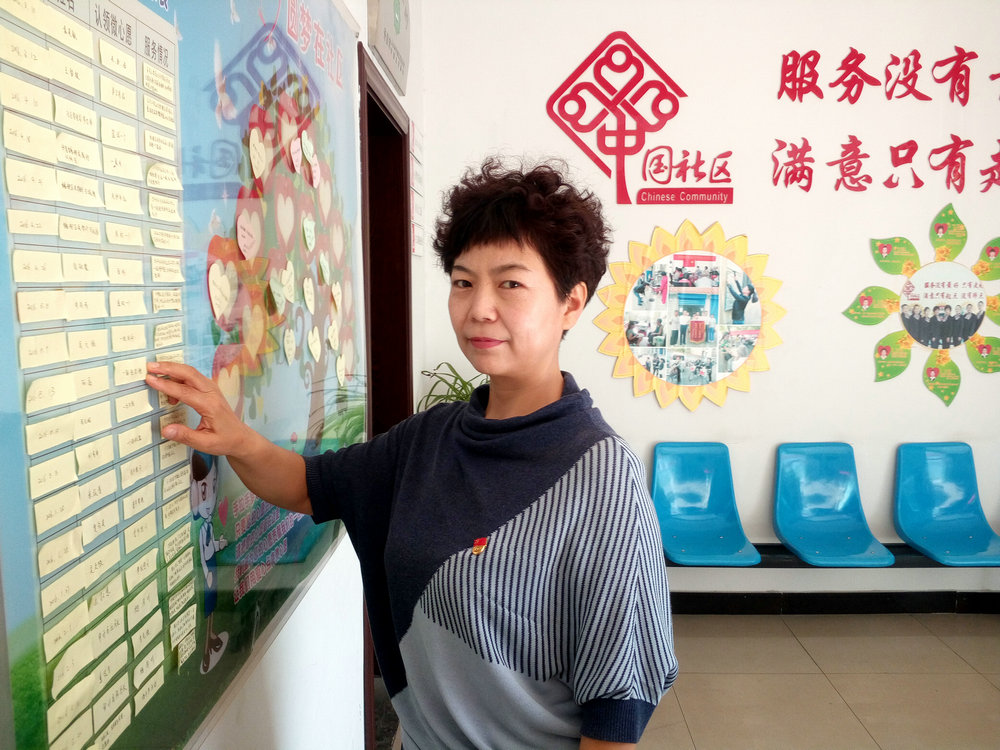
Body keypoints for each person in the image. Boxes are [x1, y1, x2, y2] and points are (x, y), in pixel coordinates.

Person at [146, 158, 678, 749]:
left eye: (510, 283)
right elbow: (306, 484)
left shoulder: (602, 476)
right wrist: (235, 436)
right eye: (463, 281)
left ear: (571, 303)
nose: (479, 307)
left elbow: (616, 707)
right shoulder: (429, 438)